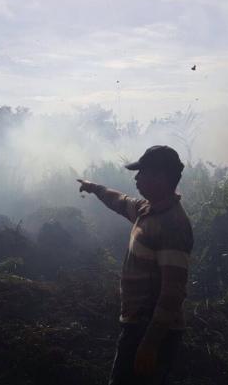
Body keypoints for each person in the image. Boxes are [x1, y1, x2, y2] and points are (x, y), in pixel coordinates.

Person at [76, 145, 193, 385]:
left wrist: (150, 344)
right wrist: (94, 188)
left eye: (143, 172)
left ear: (161, 178)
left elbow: (173, 292)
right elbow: (120, 201)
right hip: (138, 326)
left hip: (151, 331)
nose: (137, 178)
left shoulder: (172, 226)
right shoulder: (147, 210)